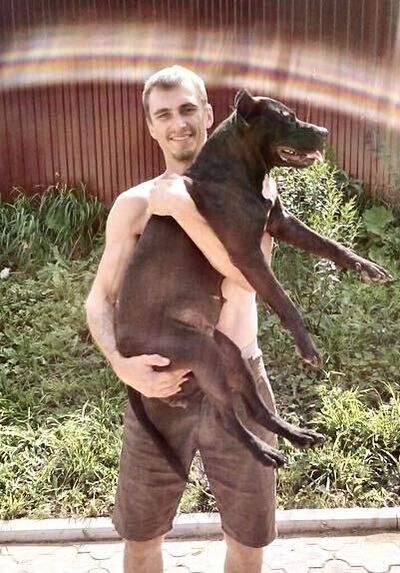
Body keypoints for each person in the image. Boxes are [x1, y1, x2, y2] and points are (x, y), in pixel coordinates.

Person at [85, 65, 278, 573]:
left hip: (239, 387)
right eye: (164, 114)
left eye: (188, 109)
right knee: (141, 536)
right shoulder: (133, 206)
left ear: (209, 114)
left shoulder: (252, 192)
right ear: (150, 126)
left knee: (247, 540)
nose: (179, 124)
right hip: (158, 388)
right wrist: (121, 364)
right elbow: (100, 298)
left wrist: (185, 208)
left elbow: (249, 280)